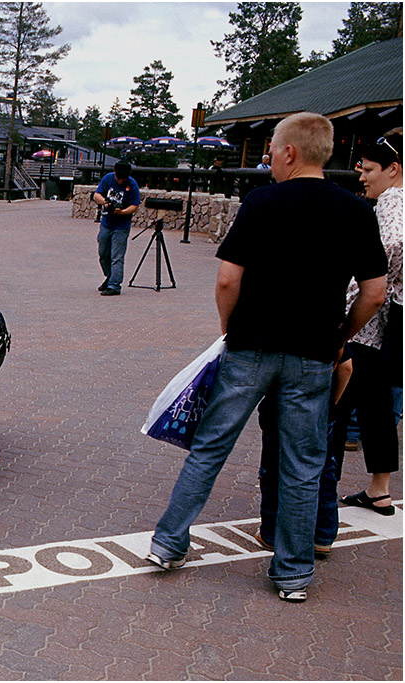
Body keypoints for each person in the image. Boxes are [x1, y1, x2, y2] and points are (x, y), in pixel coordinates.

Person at [147, 112, 388, 602]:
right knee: (303, 462)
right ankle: (293, 573)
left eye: (273, 150)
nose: (269, 158)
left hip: (251, 346)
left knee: (211, 446)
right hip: (314, 354)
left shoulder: (261, 202)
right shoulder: (358, 211)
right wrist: (342, 333)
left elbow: (227, 279)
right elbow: (376, 292)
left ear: (291, 152)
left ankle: (169, 542)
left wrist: (230, 327)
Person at [338, 129, 403, 516]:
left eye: (370, 169)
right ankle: (380, 489)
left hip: (370, 320)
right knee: (379, 405)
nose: (363, 176)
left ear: (393, 169)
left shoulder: (392, 200)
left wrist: (381, 284)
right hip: (389, 323)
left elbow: (394, 245)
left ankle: (318, 495)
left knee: (339, 405)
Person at [256, 349, 354, 557]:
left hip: (278, 411)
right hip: (319, 411)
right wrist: (331, 405)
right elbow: (346, 367)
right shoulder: (328, 327)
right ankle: (323, 535)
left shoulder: (275, 329)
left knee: (273, 469)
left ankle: (271, 532)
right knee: (325, 472)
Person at [91, 160, 140, 296]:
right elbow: (97, 195)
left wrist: (122, 212)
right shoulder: (108, 179)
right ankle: (110, 277)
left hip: (121, 226)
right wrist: (105, 203)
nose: (120, 181)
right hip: (107, 223)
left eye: (123, 179)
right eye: (119, 178)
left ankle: (114, 285)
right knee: (103, 253)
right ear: (115, 174)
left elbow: (135, 205)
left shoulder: (132, 184)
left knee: (117, 256)